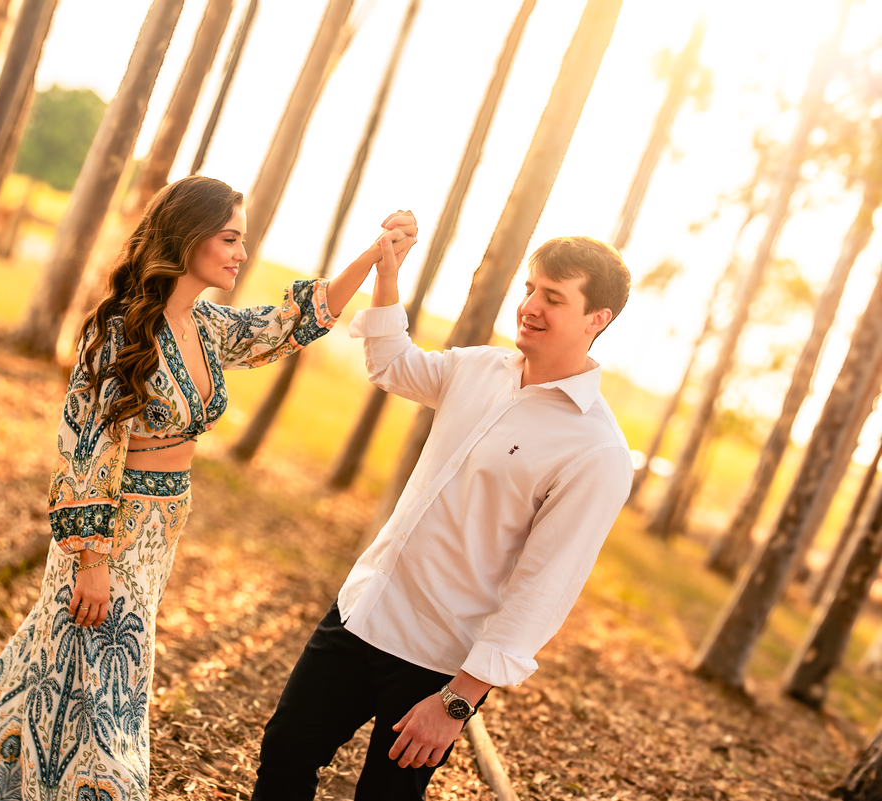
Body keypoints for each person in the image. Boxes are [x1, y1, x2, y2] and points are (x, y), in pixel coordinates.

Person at [0, 176, 416, 801]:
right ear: (189, 237)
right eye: (229, 238)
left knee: (58, 673)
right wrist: (92, 562)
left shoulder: (205, 328)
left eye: (242, 240)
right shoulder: (119, 330)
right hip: (108, 537)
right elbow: (84, 447)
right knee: (104, 697)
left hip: (159, 531)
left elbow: (287, 324)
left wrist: (374, 254)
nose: (240, 253)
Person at [252, 235, 633, 800]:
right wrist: (387, 274)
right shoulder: (478, 368)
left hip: (435, 662)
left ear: (595, 318)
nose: (530, 305)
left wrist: (458, 702)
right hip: (362, 610)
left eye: (553, 297)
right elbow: (391, 364)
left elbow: (543, 589)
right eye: (529, 288)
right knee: (284, 757)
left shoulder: (597, 451)